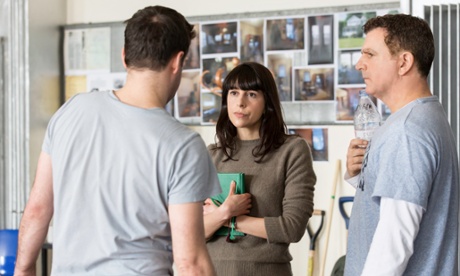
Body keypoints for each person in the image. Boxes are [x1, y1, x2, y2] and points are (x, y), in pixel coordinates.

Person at [15, 6, 220, 276]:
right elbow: (190, 264)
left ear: (124, 57)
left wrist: (24, 268)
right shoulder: (183, 145)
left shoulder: (70, 111)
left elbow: (38, 209)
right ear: (177, 61)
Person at [345, 14, 459, 275]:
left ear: (404, 62)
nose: (359, 64)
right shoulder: (422, 116)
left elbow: (394, 243)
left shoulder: (407, 130)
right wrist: (359, 177)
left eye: (370, 54)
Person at [203, 62, 316, 275]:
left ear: (267, 102)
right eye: (234, 93)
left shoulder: (291, 150)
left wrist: (228, 218)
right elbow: (194, 232)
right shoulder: (212, 154)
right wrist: (224, 215)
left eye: (252, 94)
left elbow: (292, 228)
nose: (240, 103)